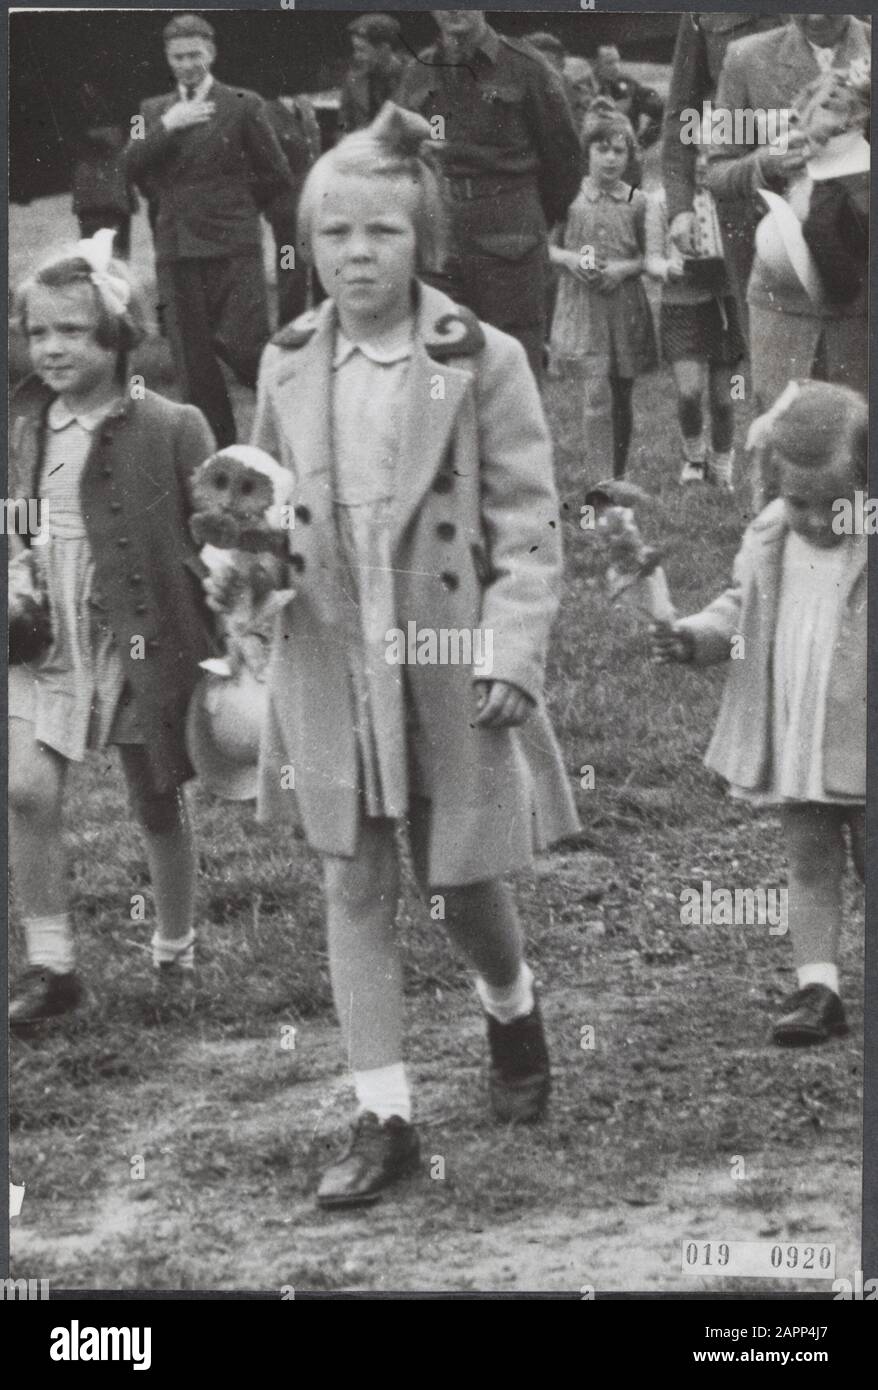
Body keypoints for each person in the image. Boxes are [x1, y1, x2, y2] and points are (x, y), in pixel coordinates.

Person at [217, 104, 580, 1207]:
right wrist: (246, 571)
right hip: (330, 653)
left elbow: (527, 524)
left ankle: (510, 1007)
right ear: (307, 245)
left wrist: (513, 648)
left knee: (459, 872)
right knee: (352, 873)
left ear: (421, 239)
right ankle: (384, 1113)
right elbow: (264, 508)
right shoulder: (285, 363)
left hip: (444, 653)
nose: (354, 255)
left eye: (378, 233)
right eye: (332, 236)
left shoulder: (478, 359)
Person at [8, 234, 217, 1029]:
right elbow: (16, 514)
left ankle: (174, 946)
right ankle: (51, 965)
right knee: (25, 789)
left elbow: (217, 532)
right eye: (37, 332)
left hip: (133, 628)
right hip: (41, 624)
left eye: (71, 331)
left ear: (116, 335)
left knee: (154, 794)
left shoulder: (171, 424)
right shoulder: (26, 422)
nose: (51, 348)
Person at [652, 382, 866, 1047]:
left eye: (839, 506)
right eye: (798, 501)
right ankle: (818, 986)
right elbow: (737, 609)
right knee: (808, 861)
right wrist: (692, 638)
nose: (816, 520)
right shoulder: (772, 538)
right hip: (798, 732)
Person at [125, 13, 292, 448]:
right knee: (193, 365)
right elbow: (128, 165)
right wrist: (169, 126)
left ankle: (294, 420)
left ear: (212, 53)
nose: (187, 64)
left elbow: (275, 173)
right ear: (167, 58)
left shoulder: (243, 103)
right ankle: (220, 459)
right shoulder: (150, 111)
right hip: (177, 249)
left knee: (244, 344)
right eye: (178, 56)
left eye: (195, 55)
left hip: (232, 245)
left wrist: (231, 205)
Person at [397, 9, 581, 381]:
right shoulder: (418, 72)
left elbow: (566, 163)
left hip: (510, 238)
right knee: (441, 368)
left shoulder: (526, 68)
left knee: (512, 370)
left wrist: (524, 218)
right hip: (440, 245)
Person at [706, 13, 869, 347]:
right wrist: (768, 160)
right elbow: (718, 172)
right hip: (783, 285)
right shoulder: (746, 57)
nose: (814, 14)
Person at [662, 13, 788, 337]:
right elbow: (684, 111)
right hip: (741, 188)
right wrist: (681, 204)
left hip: (830, 182)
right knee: (759, 330)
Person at [549, 100, 656, 479]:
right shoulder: (568, 197)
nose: (611, 159)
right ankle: (599, 481)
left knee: (622, 395)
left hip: (624, 306)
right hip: (584, 306)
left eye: (619, 150)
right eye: (602, 149)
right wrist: (570, 260)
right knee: (596, 395)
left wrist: (624, 268)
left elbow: (649, 256)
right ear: (586, 152)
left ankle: (618, 476)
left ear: (630, 154)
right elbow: (547, 247)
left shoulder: (637, 199)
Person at [646, 150, 744, 489]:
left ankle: (722, 465)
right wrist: (666, 269)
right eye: (694, 154)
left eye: (710, 155)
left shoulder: (733, 195)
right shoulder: (661, 201)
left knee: (724, 397)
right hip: (682, 301)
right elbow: (652, 258)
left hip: (725, 303)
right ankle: (693, 457)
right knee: (689, 392)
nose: (702, 163)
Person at [260, 83, 322, 327]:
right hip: (286, 210)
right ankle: (289, 327)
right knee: (290, 271)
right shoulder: (264, 110)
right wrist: (271, 204)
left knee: (320, 268)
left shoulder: (304, 104)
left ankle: (321, 324)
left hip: (314, 203)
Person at [72, 84, 138, 260]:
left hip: (104, 188)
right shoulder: (127, 99)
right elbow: (137, 128)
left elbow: (138, 127)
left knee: (100, 248)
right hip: (108, 188)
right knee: (110, 250)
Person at [338, 13, 408, 136]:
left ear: (384, 49)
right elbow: (343, 125)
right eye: (355, 49)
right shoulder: (353, 79)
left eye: (361, 49)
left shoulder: (415, 75)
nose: (356, 55)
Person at [594, 45, 664, 150]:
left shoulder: (628, 84)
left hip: (625, 151)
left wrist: (643, 143)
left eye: (617, 61)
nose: (616, 67)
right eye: (609, 63)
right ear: (597, 65)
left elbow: (658, 108)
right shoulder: (584, 88)